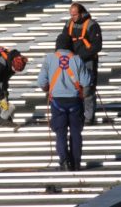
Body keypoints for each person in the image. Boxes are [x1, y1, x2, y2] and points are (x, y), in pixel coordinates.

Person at [37, 34, 91, 171]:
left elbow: (42, 83)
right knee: (76, 133)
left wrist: (48, 90)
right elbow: (86, 82)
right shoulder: (77, 59)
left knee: (60, 133)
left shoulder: (49, 59)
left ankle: (64, 161)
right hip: (75, 101)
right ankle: (76, 163)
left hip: (57, 103)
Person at [62, 3, 102, 125]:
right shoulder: (69, 24)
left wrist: (81, 56)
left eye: (75, 14)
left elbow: (97, 46)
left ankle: (89, 117)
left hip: (87, 61)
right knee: (73, 88)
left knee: (88, 89)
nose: (72, 17)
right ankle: (77, 115)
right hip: (72, 61)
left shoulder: (92, 25)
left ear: (81, 13)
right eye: (71, 15)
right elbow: (63, 41)